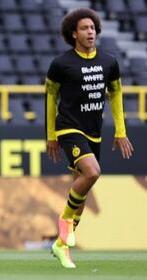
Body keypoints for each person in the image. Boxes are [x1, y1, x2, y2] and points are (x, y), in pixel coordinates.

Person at [45, 8, 134, 268]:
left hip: (94, 130)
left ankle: (61, 246)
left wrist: (121, 131)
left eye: (93, 28)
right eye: (84, 28)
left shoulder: (109, 62)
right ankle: (64, 221)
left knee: (81, 191)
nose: (90, 32)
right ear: (74, 33)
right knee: (93, 172)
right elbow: (50, 98)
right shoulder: (61, 64)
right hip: (69, 128)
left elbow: (116, 94)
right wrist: (51, 135)